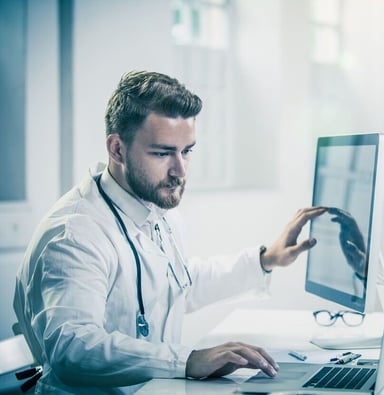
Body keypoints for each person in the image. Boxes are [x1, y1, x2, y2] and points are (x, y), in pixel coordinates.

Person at [13, 70, 327, 394]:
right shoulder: (75, 233)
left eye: (187, 150)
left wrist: (264, 260)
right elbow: (73, 347)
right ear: (117, 149)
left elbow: (178, 286)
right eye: (162, 153)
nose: (179, 170)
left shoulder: (156, 207)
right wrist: (187, 361)